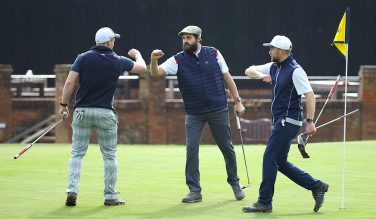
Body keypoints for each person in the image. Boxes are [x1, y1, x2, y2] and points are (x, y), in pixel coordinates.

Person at [150, 25, 246, 203]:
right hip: (194, 112)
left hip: (218, 109)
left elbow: (227, 77)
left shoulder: (214, 53)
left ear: (198, 38)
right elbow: (156, 73)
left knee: (227, 147)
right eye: (183, 38)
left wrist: (238, 101)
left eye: (189, 38)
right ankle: (194, 191)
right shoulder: (177, 60)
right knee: (191, 149)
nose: (185, 41)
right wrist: (153, 60)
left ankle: (235, 183)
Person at [59, 27, 147, 206]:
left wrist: (63, 105)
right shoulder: (118, 60)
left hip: (82, 111)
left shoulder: (82, 58)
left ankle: (72, 191)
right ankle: (110, 196)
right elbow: (143, 69)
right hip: (105, 113)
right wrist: (137, 54)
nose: (114, 42)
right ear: (108, 42)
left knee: (77, 154)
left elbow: (69, 82)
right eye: (113, 40)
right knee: (109, 155)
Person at [242, 35, 329, 213]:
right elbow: (248, 70)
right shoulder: (274, 66)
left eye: (272, 48)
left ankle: (264, 202)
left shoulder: (295, 70)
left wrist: (310, 122)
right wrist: (261, 75)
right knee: (280, 162)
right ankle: (317, 186)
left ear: (280, 51)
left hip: (288, 121)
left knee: (269, 157)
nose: (269, 51)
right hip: (282, 121)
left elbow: (310, 95)